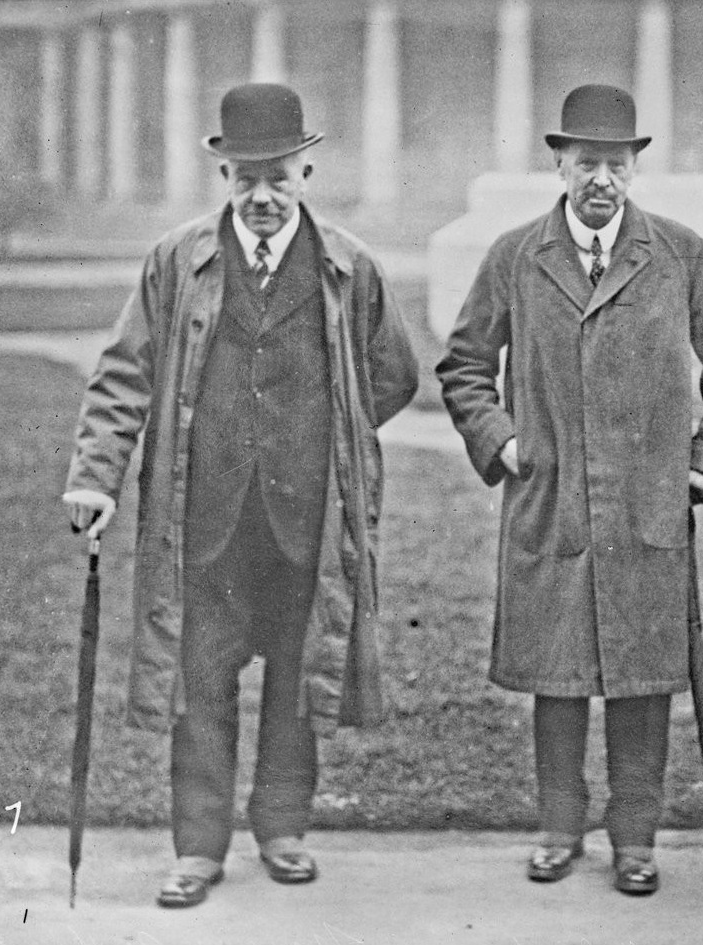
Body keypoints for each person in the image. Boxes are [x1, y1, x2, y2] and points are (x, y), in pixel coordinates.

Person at [62, 83, 418, 908]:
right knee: (201, 679)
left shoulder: (348, 266)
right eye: (244, 178)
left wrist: (330, 441)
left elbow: (392, 374)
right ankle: (197, 847)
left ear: (307, 171)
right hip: (205, 519)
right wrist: (94, 473)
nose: (260, 197)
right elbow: (124, 373)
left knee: (301, 676)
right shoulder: (176, 261)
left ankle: (283, 829)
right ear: (222, 173)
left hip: (306, 522)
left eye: (278, 178)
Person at [437, 84, 703, 896]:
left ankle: (634, 839)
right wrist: (500, 438)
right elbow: (464, 364)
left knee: (641, 678)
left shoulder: (678, 253)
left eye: (615, 164)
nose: (601, 180)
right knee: (557, 674)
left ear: (634, 167)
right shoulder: (515, 254)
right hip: (549, 499)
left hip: (644, 503)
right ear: (559, 163)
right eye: (586, 162)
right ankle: (557, 828)